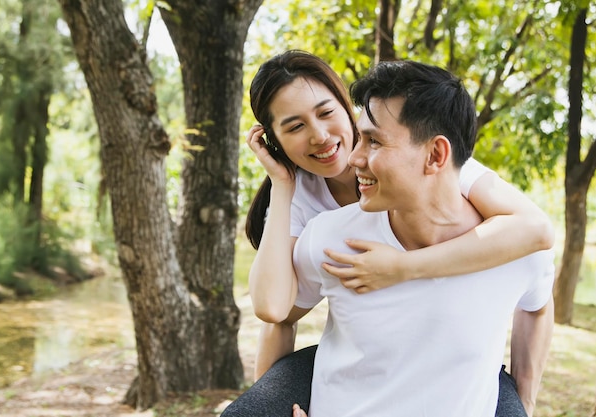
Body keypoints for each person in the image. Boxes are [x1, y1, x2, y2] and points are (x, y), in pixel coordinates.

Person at [221, 51, 554, 416]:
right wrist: (281, 185)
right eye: (294, 127)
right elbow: (274, 311)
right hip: (361, 353)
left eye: (325, 113)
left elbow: (535, 234)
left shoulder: (448, 169)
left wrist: (402, 267)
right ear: (275, 142)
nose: (321, 137)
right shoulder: (308, 211)